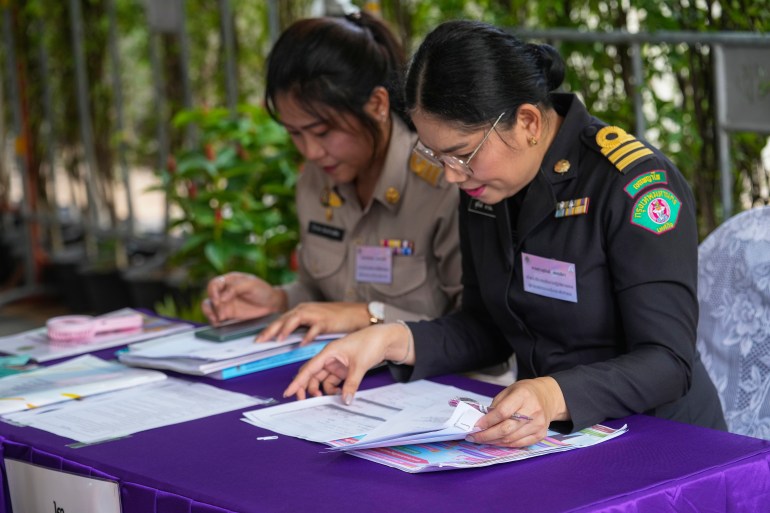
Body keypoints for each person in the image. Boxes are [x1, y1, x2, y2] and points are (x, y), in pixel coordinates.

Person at [284, 19, 727, 447]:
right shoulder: (485, 185)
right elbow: (487, 329)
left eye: (461, 153)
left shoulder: (633, 187)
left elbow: (668, 362)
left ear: (528, 122)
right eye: (437, 156)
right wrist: (393, 339)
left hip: (662, 443)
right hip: (550, 436)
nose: (452, 175)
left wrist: (552, 395)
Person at [203, 12, 462, 344]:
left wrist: (367, 316)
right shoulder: (315, 182)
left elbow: (475, 330)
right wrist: (279, 300)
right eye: (295, 133)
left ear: (378, 105)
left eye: (323, 132)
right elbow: (319, 291)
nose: (310, 151)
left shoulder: (445, 183)